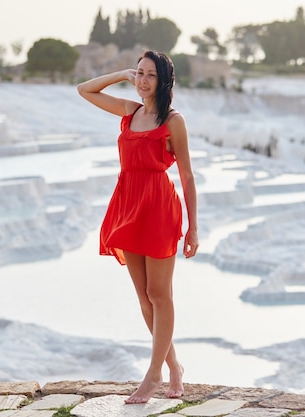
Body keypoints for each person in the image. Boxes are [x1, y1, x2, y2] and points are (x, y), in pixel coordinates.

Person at [77, 50, 198, 404]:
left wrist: (193, 228)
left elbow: (187, 176)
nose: (143, 81)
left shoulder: (173, 121)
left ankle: (153, 374)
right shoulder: (130, 112)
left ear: (164, 82)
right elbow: (86, 90)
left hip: (158, 207)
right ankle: (173, 367)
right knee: (144, 296)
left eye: (150, 75)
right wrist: (122, 73)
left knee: (161, 295)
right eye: (140, 74)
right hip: (128, 205)